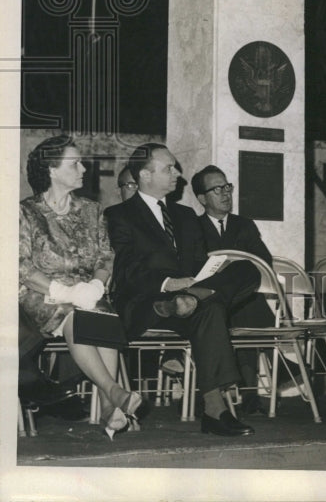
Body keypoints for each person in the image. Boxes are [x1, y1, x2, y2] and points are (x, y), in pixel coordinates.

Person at [105, 143, 263, 437]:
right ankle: (215, 410)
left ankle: (191, 300)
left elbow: (200, 262)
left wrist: (208, 275)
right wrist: (169, 285)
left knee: (246, 268)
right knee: (211, 309)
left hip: (189, 298)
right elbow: (124, 270)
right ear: (145, 175)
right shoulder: (119, 215)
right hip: (147, 303)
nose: (178, 173)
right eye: (169, 168)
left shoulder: (186, 215)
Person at [19, 135, 146, 439]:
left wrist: (96, 285)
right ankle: (112, 393)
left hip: (87, 291)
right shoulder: (26, 212)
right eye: (74, 163)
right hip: (43, 295)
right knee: (75, 313)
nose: (83, 169)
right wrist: (64, 292)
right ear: (51, 169)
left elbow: (105, 256)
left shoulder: (91, 210)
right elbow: (21, 266)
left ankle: (109, 404)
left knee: (102, 313)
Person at [191, 165, 305, 409]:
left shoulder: (244, 225)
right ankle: (276, 372)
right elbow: (193, 267)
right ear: (202, 198)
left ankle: (249, 391)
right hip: (210, 299)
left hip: (241, 297)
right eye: (216, 189)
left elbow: (262, 263)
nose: (225, 193)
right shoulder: (192, 226)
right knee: (234, 305)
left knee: (247, 300)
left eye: (227, 187)